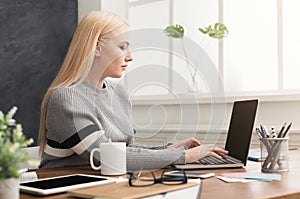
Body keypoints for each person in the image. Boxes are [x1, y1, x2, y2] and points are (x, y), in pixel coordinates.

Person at [38, 10, 228, 170]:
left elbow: (127, 149)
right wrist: (183, 157)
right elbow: (107, 156)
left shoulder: (118, 93)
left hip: (108, 184)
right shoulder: (67, 99)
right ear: (97, 47)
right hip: (65, 189)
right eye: (122, 47)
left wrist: (173, 148)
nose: (130, 57)